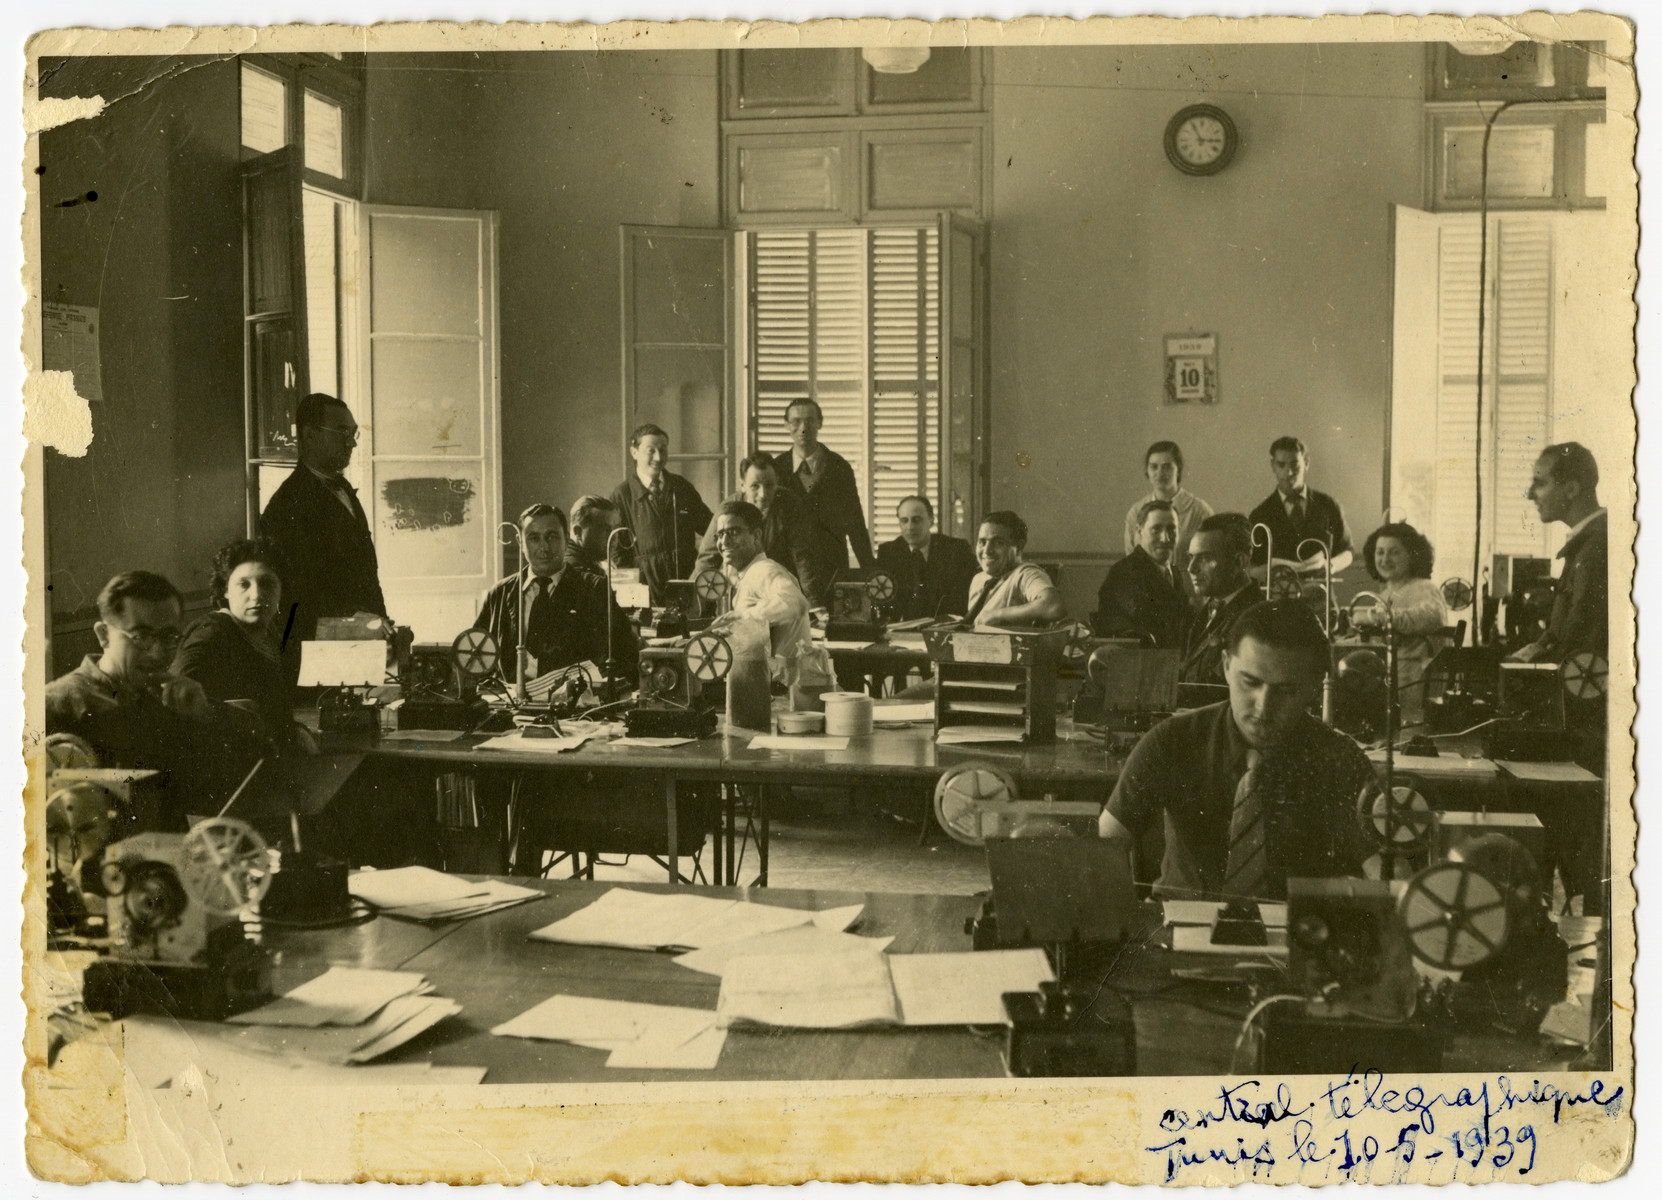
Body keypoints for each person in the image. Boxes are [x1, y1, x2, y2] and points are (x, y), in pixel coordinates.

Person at [1098, 600, 1373, 901]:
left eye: (1286, 691)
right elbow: (1102, 848)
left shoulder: (1340, 759)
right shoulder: (1172, 740)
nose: (1263, 706)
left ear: (1315, 686)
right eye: (1250, 682)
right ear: (1227, 666)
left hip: (1298, 935)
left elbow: (1388, 874)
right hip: (1180, 926)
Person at [46, 572, 265, 831]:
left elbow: (220, 787)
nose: (158, 651)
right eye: (141, 636)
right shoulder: (54, 706)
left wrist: (206, 715)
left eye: (168, 637)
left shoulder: (170, 700)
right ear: (103, 634)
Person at [259, 393, 389, 649]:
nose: (352, 443)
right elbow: (296, 587)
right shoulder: (287, 504)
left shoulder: (343, 489)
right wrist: (352, 615)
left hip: (364, 637)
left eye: (353, 433)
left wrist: (381, 620)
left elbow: (367, 573)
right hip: (317, 645)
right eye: (342, 432)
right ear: (309, 435)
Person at [473, 503, 637, 685]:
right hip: (511, 705)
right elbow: (475, 658)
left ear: (566, 539)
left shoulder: (594, 589)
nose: (544, 547)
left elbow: (626, 655)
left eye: (552, 537)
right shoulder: (500, 594)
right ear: (520, 542)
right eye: (534, 538)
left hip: (574, 707)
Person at [173, 538, 314, 749]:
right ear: (225, 591)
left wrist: (296, 729)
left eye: (267, 583)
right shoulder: (212, 632)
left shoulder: (271, 635)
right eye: (243, 584)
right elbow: (175, 697)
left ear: (281, 589)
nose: (256, 595)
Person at [1510, 442, 1607, 664]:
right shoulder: (1585, 543)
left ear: (1571, 490)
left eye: (1540, 483)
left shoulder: (1595, 548)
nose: (1530, 495)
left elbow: (1580, 646)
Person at [772, 398, 875, 604]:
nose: (803, 428)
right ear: (786, 426)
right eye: (796, 421)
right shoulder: (776, 468)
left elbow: (855, 523)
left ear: (820, 423)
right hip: (787, 569)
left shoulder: (839, 467)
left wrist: (869, 572)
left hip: (831, 568)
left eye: (810, 420)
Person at [1353, 522, 1448, 729]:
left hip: (1415, 679)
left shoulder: (1423, 587)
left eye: (1394, 552)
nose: (1385, 560)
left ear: (1412, 555)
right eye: (1380, 552)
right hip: (1390, 678)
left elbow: (1433, 617)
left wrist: (1379, 617)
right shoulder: (1386, 593)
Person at [608, 423, 713, 605]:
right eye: (651, 451)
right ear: (634, 453)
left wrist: (701, 570)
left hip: (686, 581)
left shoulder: (682, 487)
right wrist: (632, 598)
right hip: (645, 587)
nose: (658, 457)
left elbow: (711, 529)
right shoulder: (622, 496)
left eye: (663, 450)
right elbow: (617, 554)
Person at [694, 454, 822, 600]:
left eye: (769, 485)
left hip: (779, 585)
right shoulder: (727, 510)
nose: (763, 494)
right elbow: (707, 558)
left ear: (777, 483)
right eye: (755, 486)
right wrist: (693, 599)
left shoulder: (789, 504)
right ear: (742, 485)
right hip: (741, 589)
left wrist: (814, 604)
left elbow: (803, 557)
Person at [705, 500, 812, 672]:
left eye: (733, 532)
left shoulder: (764, 570)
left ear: (756, 536)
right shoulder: (750, 573)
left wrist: (741, 616)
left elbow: (795, 603)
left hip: (783, 691)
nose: (724, 541)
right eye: (720, 534)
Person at [1247, 435, 1354, 577]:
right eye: (1281, 465)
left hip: (1320, 594)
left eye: (1294, 465)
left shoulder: (1328, 505)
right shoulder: (1260, 514)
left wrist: (1330, 566)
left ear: (1306, 463)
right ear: (1272, 466)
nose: (1288, 472)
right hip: (1279, 595)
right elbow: (1251, 565)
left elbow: (1347, 551)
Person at [1095, 499, 1192, 648]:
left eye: (1172, 529)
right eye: (1156, 529)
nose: (1165, 538)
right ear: (1140, 531)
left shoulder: (1174, 572)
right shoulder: (1124, 572)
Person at [1180, 513, 1262, 686]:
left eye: (1204, 558)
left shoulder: (1253, 617)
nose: (1191, 568)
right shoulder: (1211, 606)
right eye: (1191, 557)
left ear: (1239, 563)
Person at [876, 495, 978, 621]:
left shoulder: (955, 550)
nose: (910, 527)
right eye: (904, 521)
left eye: (916, 520)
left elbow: (963, 601)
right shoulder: (888, 553)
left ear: (931, 520)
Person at [1122, 441, 1214, 574]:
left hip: (1187, 590)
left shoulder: (1200, 511)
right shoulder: (1135, 512)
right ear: (1147, 471)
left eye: (1167, 467)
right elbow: (1131, 560)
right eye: (1154, 467)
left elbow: (1210, 559)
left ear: (1178, 470)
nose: (1160, 473)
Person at [965, 510, 1066, 628]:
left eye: (998, 543)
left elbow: (1054, 606)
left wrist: (997, 615)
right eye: (982, 542)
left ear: (1019, 546)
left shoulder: (1025, 574)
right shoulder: (979, 579)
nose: (987, 551)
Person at [566, 494, 622, 577]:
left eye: (616, 528)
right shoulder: (575, 572)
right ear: (578, 532)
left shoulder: (592, 562)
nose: (614, 537)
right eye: (606, 530)